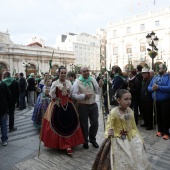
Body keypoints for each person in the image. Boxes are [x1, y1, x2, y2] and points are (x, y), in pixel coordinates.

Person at [92, 89, 151, 169]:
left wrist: (141, 140)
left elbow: (134, 127)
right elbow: (108, 127)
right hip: (118, 140)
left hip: (132, 139)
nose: (129, 101)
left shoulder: (130, 111)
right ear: (118, 100)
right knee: (125, 160)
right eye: (126, 99)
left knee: (137, 157)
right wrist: (108, 133)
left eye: (130, 99)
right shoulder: (114, 112)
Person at [41, 66, 84, 155]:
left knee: (70, 124)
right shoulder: (55, 83)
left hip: (68, 105)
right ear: (58, 73)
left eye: (65, 73)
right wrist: (47, 93)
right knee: (57, 124)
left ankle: (68, 144)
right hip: (57, 105)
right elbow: (52, 95)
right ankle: (60, 144)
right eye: (62, 73)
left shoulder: (69, 83)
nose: (63, 74)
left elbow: (71, 94)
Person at [71, 66, 103, 149]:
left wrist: (100, 86)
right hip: (82, 106)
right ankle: (85, 140)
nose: (86, 72)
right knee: (84, 124)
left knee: (95, 123)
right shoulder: (77, 82)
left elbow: (98, 91)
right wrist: (84, 96)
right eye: (84, 71)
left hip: (93, 104)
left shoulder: (92, 80)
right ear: (81, 72)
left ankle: (92, 139)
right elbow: (73, 95)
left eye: (87, 71)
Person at [148, 63, 170, 140]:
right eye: (158, 68)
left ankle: (166, 132)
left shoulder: (168, 77)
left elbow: (169, 87)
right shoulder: (155, 77)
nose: (158, 70)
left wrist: (159, 87)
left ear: (164, 69)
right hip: (156, 100)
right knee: (158, 116)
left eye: (160, 68)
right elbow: (149, 87)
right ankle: (160, 130)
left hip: (165, 100)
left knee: (165, 117)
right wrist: (152, 89)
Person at [0, 71, 12, 146]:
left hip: (3, 108)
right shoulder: (3, 84)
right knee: (3, 125)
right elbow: (9, 96)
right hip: (3, 108)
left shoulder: (3, 84)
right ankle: (4, 140)